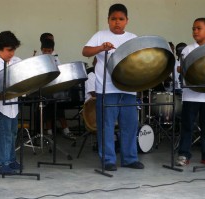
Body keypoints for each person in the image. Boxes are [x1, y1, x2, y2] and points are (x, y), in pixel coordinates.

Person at [82, 3, 144, 171]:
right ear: (108, 20)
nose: (117, 22)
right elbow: (85, 51)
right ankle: (108, 159)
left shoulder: (132, 37)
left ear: (127, 20)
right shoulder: (100, 35)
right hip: (107, 88)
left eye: (121, 19)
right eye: (113, 19)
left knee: (129, 125)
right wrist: (101, 47)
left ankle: (129, 158)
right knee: (106, 125)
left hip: (128, 88)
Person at [176, 18, 205, 166]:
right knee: (187, 126)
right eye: (193, 29)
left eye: (199, 28)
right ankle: (184, 154)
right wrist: (186, 68)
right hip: (190, 95)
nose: (195, 31)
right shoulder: (187, 49)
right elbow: (180, 68)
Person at [0, 31, 21, 175]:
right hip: (2, 106)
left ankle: (11, 160)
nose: (12, 53)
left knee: (13, 132)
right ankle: (2, 164)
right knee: (5, 134)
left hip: (13, 104)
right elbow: (6, 81)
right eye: (9, 50)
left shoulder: (14, 60)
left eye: (13, 50)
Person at [40, 38, 75, 140]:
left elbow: (60, 70)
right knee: (47, 110)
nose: (47, 52)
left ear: (52, 50)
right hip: (44, 88)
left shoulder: (55, 58)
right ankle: (49, 132)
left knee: (59, 109)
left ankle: (66, 130)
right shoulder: (39, 58)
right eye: (45, 50)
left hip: (55, 88)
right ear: (41, 49)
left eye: (49, 51)